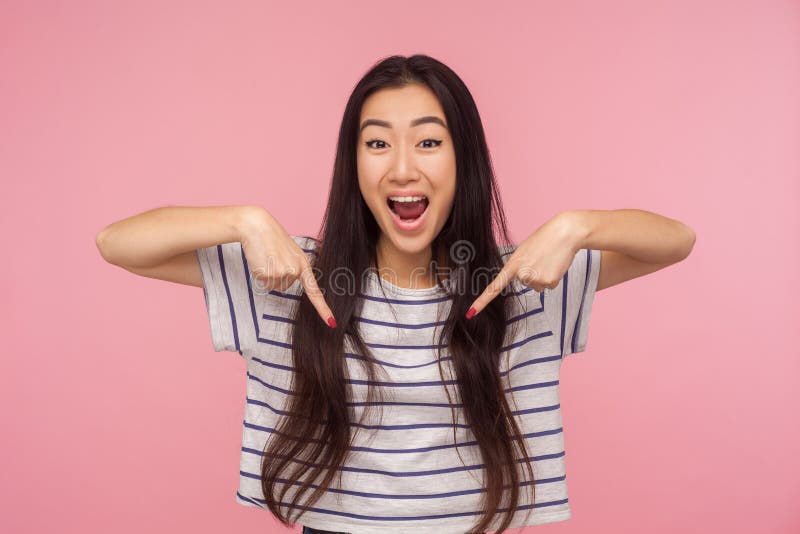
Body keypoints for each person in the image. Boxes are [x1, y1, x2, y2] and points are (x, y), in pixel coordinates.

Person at [96, 54, 696, 534]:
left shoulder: (524, 280)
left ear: (466, 160)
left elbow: (675, 241)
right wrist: (246, 221)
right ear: (352, 162)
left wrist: (576, 226)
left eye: (429, 142)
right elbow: (117, 243)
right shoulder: (291, 276)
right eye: (378, 143)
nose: (403, 168)